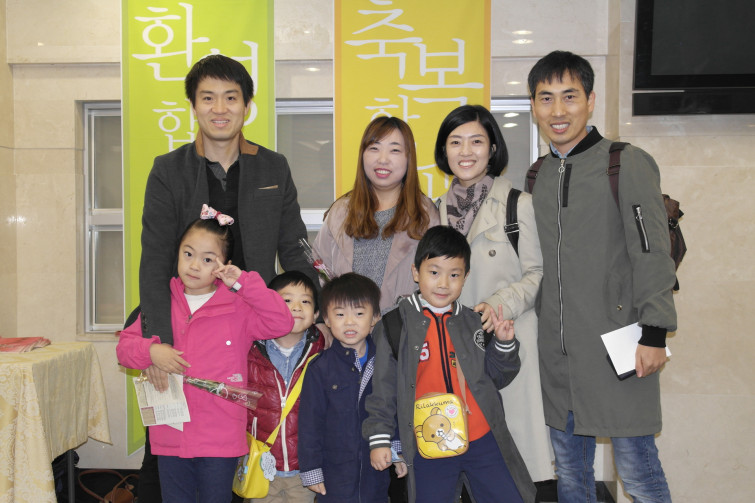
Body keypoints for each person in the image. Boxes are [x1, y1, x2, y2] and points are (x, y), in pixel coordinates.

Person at [137, 54, 316, 501]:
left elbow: (294, 247)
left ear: (247, 106)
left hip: (247, 324)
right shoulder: (168, 169)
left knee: (246, 442)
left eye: (231, 98)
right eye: (208, 98)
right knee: (167, 451)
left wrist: (318, 310)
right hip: (185, 328)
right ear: (193, 106)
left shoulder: (273, 167)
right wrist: (158, 342)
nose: (220, 109)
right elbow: (155, 259)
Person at [526, 50, 677, 502]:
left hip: (620, 346)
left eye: (569, 96)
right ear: (533, 106)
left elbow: (652, 251)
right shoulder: (537, 176)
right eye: (546, 98)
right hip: (557, 355)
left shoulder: (624, 162)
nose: (558, 110)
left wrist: (654, 332)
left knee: (639, 473)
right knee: (571, 477)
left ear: (590, 101)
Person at [116, 210, 295, 503]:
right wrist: (151, 352)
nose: (194, 265)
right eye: (188, 254)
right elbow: (124, 349)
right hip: (170, 435)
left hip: (220, 437)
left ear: (224, 265)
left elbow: (282, 322)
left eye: (208, 259)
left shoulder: (237, 306)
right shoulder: (160, 302)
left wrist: (243, 282)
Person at [363, 225, 536, 503]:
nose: (444, 283)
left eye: (454, 274)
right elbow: (383, 392)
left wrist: (504, 344)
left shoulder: (474, 321)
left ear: (466, 277)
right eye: (434, 272)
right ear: (416, 272)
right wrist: (380, 439)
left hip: (482, 438)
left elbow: (496, 377)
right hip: (428, 442)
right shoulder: (394, 326)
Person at [434, 104, 552, 483]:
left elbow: (539, 274)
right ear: (444, 151)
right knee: (457, 459)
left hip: (506, 344)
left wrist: (499, 304)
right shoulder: (434, 211)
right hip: (453, 351)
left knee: (510, 469)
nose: (466, 151)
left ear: (493, 148)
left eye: (476, 141)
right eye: (455, 142)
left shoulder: (519, 205)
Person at [312, 116, 439, 315]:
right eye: (374, 148)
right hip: (346, 329)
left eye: (394, 150)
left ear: (409, 158)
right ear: (362, 155)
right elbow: (319, 272)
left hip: (405, 329)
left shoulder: (426, 215)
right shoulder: (340, 212)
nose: (383, 159)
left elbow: (438, 280)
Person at [298, 273, 407, 502]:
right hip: (334, 471)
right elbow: (309, 424)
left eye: (359, 313)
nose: (349, 322)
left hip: (375, 469)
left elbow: (394, 410)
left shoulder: (385, 362)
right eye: (340, 314)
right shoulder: (320, 368)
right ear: (327, 319)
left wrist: (397, 451)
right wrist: (311, 469)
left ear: (375, 317)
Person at [246, 270, 325, 503]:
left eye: (305, 301)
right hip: (261, 467)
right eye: (287, 300)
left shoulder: (323, 354)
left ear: (316, 314)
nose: (297, 307)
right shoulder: (250, 351)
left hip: (305, 471)